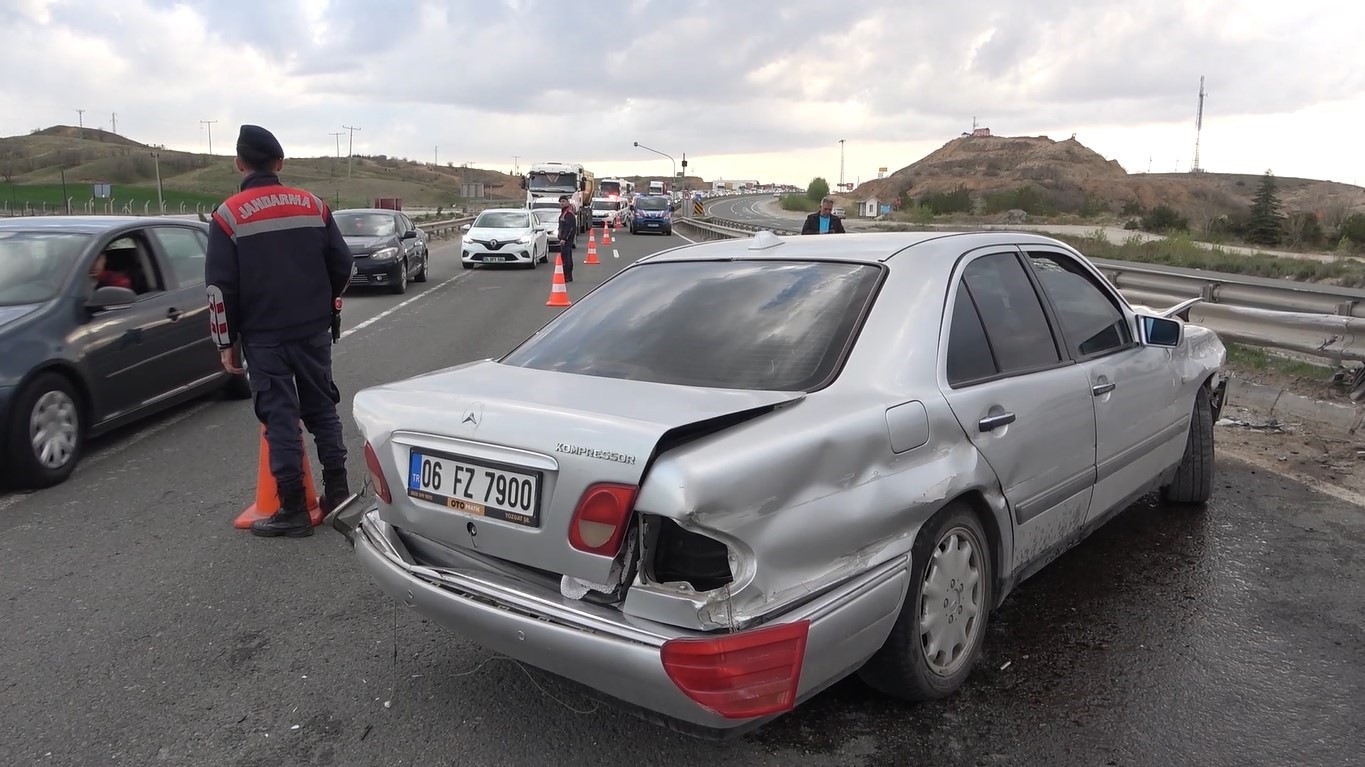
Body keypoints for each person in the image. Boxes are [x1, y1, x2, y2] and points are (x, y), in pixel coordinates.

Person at [204, 124, 356, 538]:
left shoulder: (228, 215)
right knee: (322, 406)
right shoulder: (313, 205)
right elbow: (344, 266)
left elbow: (220, 291)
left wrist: (226, 343)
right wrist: (324, 302)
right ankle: (339, 492)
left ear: (239, 163)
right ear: (280, 163)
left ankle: (292, 509)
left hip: (264, 335)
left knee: (280, 416)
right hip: (313, 330)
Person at [557, 194, 576, 282]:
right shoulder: (564, 213)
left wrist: (564, 238)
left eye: (564, 201)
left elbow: (569, 227)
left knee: (566, 257)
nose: (562, 203)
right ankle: (567, 275)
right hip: (563, 239)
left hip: (567, 240)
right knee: (565, 256)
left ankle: (567, 276)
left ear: (568, 202)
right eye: (560, 201)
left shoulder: (569, 214)